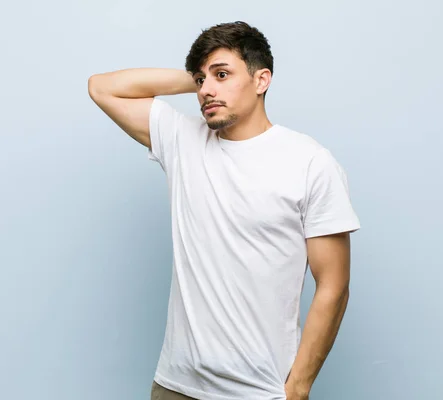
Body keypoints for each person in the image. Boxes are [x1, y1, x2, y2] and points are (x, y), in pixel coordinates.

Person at [88, 21, 361, 400]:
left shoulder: (311, 163)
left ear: (261, 80)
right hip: (175, 386)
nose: (207, 90)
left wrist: (298, 387)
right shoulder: (183, 140)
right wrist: (200, 79)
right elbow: (102, 87)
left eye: (223, 74)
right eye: (202, 80)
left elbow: (334, 285)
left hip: (258, 391)